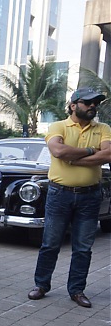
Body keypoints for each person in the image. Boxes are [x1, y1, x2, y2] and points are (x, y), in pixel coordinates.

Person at [28, 88, 111, 308]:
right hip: (59, 195)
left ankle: (76, 290)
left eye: (96, 103)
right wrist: (92, 152)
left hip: (90, 196)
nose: (93, 106)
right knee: (50, 244)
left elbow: (108, 154)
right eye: (88, 102)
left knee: (83, 247)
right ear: (73, 105)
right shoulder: (58, 126)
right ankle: (41, 285)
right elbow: (58, 152)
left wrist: (74, 157)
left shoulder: (103, 128)